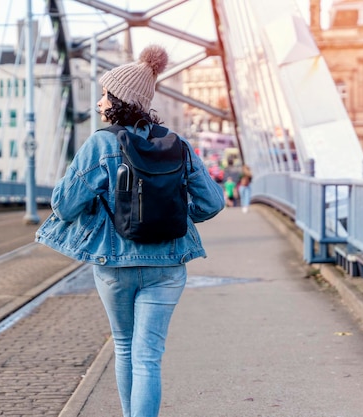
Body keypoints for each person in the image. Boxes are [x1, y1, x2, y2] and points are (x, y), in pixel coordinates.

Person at [35, 45, 225, 417]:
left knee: (124, 346)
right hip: (168, 263)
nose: (100, 100)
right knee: (148, 357)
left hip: (114, 263)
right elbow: (213, 203)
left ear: (119, 101)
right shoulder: (179, 145)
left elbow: (64, 205)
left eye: (106, 93)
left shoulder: (101, 144)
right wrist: (176, 215)